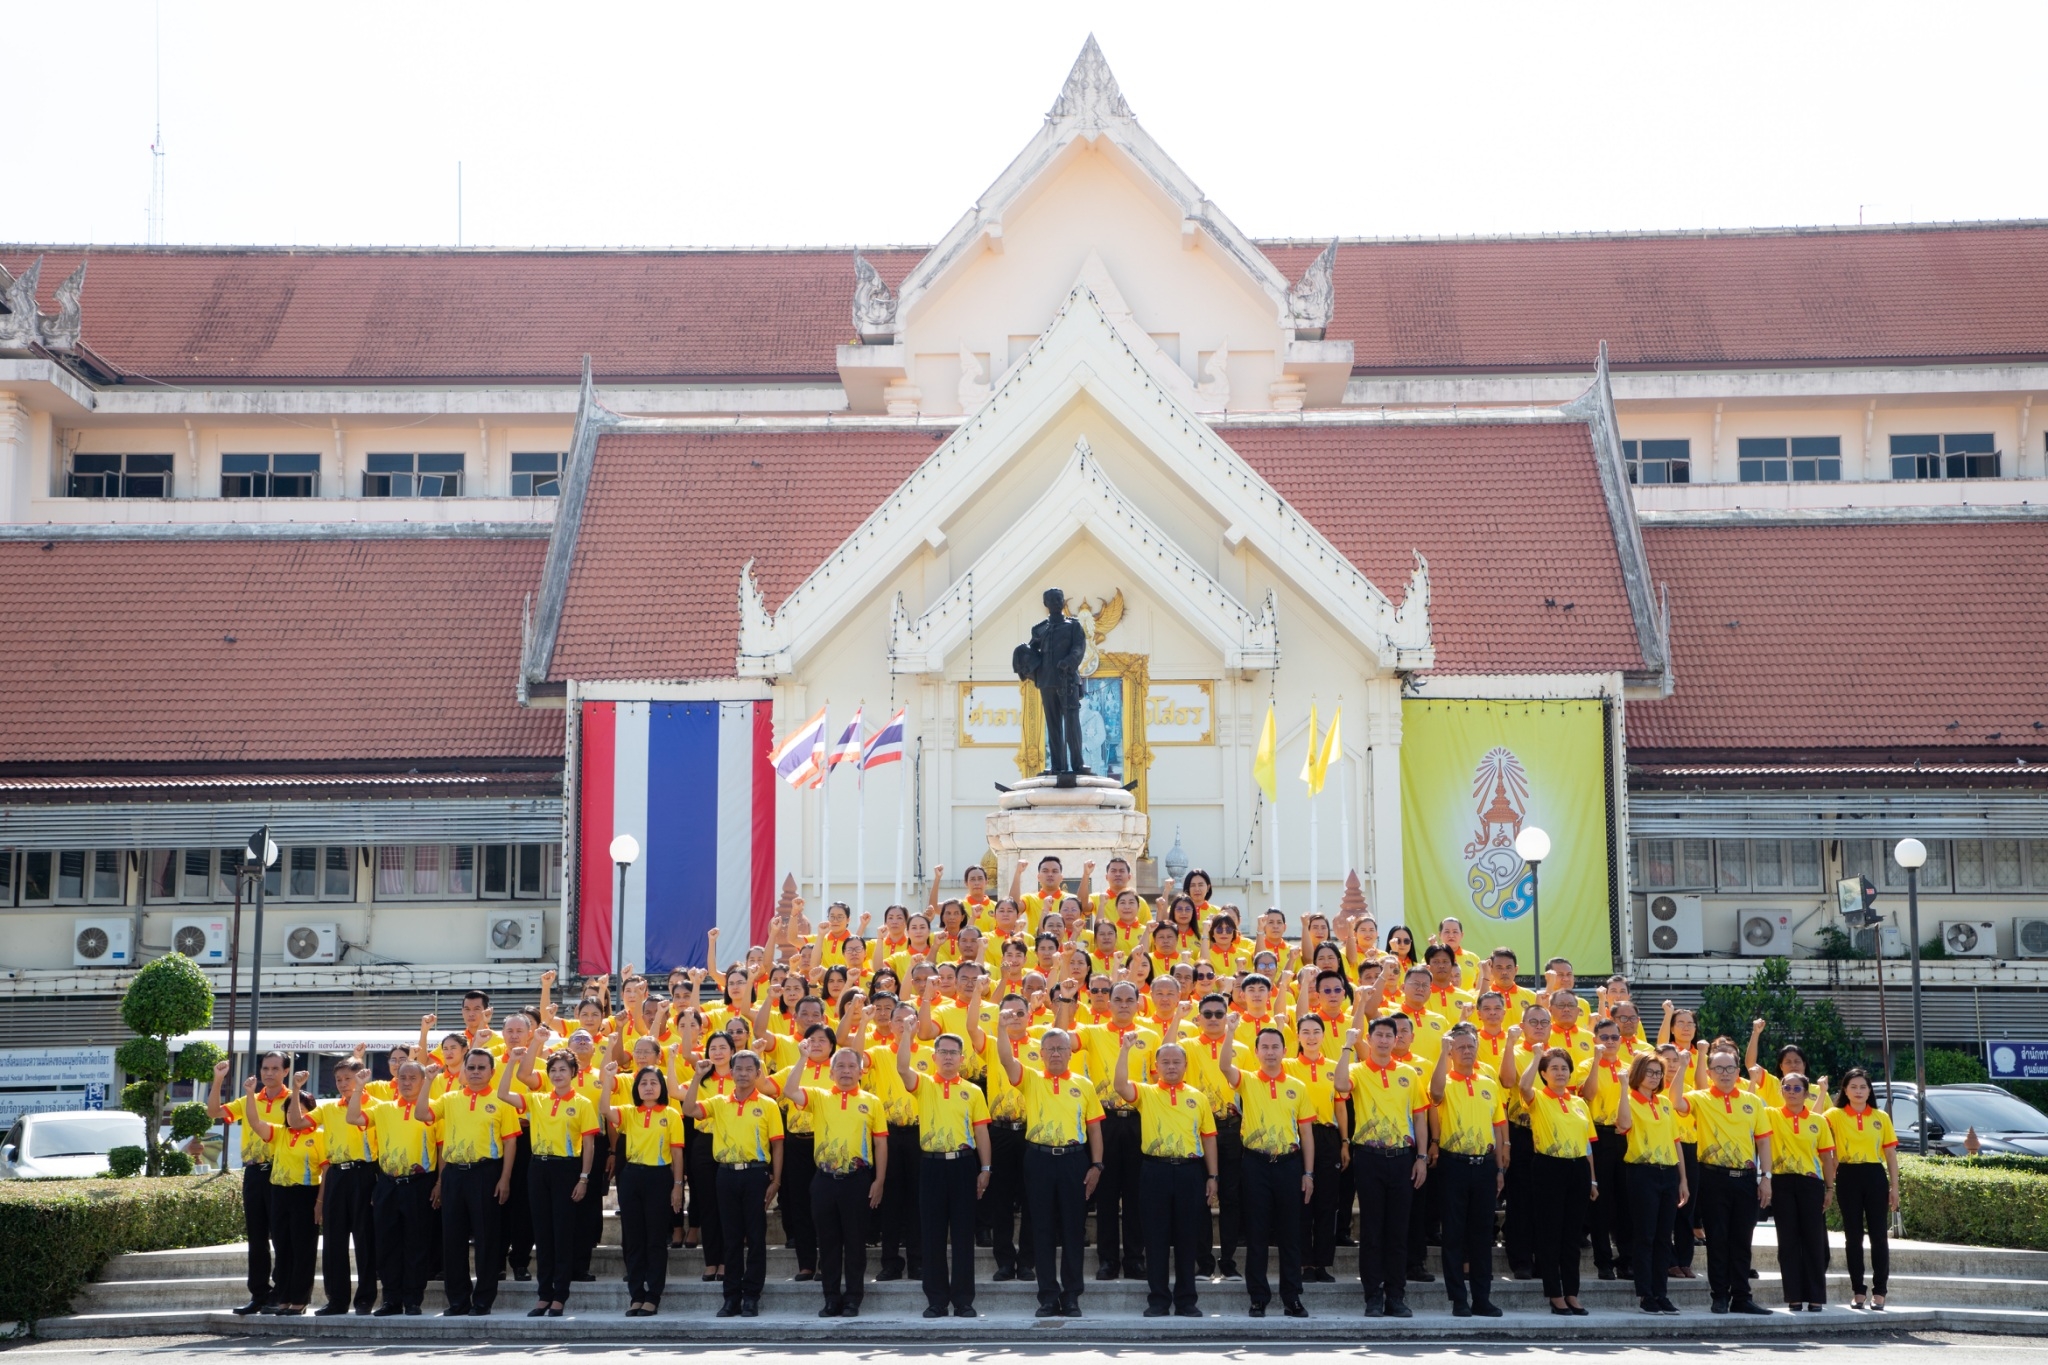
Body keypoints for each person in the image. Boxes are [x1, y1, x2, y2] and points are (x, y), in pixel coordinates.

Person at [996, 1027, 1103, 1318]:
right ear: (1041, 1054)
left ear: (1070, 1053)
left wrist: (1096, 1165)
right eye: (1050, 1049)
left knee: (1073, 1229)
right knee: (1041, 1228)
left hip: (1074, 1161)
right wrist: (1001, 1026)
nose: (1056, 1054)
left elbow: (1094, 1128)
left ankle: (1072, 1296)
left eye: (1061, 1048)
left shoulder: (1084, 1084)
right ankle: (1047, 1297)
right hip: (1039, 1159)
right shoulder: (1031, 1079)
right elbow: (1005, 1059)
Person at [1112, 1020, 1215, 1319]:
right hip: (1154, 1172)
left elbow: (1209, 1138)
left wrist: (1213, 1176)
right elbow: (1120, 1086)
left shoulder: (1198, 1097)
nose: (1171, 1066)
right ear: (1155, 1067)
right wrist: (1125, 1050)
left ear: (1185, 1065)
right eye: (1165, 1062)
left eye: (1176, 1062)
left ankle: (1186, 1301)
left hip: (1190, 1172)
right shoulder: (1146, 1093)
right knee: (1155, 1238)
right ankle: (1158, 1300)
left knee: (1187, 1238)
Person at [1334, 1005, 1428, 1317]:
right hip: (1369, 1158)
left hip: (1402, 1159)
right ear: (1370, 1039)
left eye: (1390, 1035)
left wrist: (1421, 1157)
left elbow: (1420, 1117)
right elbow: (1340, 1085)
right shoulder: (1358, 1070)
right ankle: (1373, 1296)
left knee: (1398, 1231)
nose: (1385, 1040)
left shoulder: (1408, 1074)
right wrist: (1347, 1045)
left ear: (1397, 1039)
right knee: (1372, 1231)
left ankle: (1396, 1296)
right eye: (1379, 1035)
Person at [785, 1046, 890, 1317]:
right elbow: (790, 1090)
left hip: (857, 1180)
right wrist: (803, 1058)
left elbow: (880, 1144)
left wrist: (879, 1180)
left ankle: (853, 1298)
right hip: (824, 1180)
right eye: (840, 1066)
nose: (846, 1071)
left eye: (851, 1066)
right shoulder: (819, 1097)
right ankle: (831, 1298)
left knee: (855, 1243)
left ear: (861, 1071)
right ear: (831, 1073)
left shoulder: (872, 1101)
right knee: (828, 1243)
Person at [1218, 1025, 1314, 1318]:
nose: (1270, 1052)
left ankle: (1292, 1298)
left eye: (1275, 1047)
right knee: (1257, 1234)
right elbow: (1224, 1066)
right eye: (1265, 1047)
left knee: (1290, 1235)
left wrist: (1308, 1173)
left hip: (1289, 1164)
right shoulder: (1247, 1080)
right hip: (1255, 1164)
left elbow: (1306, 1133)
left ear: (1285, 1051)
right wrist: (1230, 1031)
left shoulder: (1298, 1086)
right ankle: (1258, 1297)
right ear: (1256, 1052)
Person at [897, 1026, 992, 1318]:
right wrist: (908, 1034)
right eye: (943, 1052)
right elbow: (902, 1068)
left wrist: (985, 1168)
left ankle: (963, 1300)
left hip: (964, 1165)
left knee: (963, 1235)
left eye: (953, 1052)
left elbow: (981, 1132)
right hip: (932, 1165)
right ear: (934, 1057)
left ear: (962, 1058)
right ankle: (936, 1300)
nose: (948, 1057)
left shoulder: (973, 1091)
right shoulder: (924, 1084)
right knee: (932, 1234)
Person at [682, 1050, 784, 1318]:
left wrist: (776, 1179)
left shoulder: (768, 1105)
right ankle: (731, 1298)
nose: (743, 1074)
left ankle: (751, 1296)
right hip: (725, 1174)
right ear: (731, 1072)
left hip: (755, 1174)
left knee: (756, 1237)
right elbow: (689, 1109)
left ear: (758, 1073)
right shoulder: (719, 1102)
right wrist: (697, 1077)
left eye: (749, 1069)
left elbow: (777, 1144)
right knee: (731, 1238)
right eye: (738, 1069)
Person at [499, 1043, 598, 1317]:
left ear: (573, 1073)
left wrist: (584, 1178)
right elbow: (503, 1093)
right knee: (542, 1234)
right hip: (538, 1168)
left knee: (562, 1233)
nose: (557, 1074)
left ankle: (560, 1295)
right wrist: (511, 1062)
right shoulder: (537, 1099)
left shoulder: (582, 1103)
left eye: (563, 1069)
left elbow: (589, 1145)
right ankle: (544, 1295)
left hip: (567, 1169)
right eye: (553, 1070)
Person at [1075, 981, 1160, 1280]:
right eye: (1118, 1000)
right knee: (1107, 1193)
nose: (1124, 1005)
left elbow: (1157, 1081)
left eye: (1129, 1000)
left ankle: (1135, 1259)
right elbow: (1062, 1040)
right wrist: (1065, 1000)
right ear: (1108, 1003)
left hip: (1139, 1119)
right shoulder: (1092, 1031)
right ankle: (1108, 1260)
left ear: (1138, 1004)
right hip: (1104, 1121)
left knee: (1137, 1193)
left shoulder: (1150, 1036)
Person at [427, 1047, 520, 1316]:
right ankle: (458, 1300)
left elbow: (510, 1142)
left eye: (481, 1067)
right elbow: (422, 1113)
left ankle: (483, 1300)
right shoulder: (449, 1098)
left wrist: (505, 1178)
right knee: (453, 1239)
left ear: (492, 1071)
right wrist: (429, 1081)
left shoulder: (502, 1100)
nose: (476, 1072)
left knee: (486, 1238)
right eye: (471, 1067)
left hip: (486, 1173)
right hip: (454, 1174)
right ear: (464, 1071)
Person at [1686, 1042, 1774, 1315]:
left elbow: (1763, 1142)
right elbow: (1676, 1103)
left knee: (1742, 1240)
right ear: (1709, 1072)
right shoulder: (1700, 1098)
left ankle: (1742, 1297)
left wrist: (1766, 1177)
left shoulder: (1752, 1101)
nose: (1725, 1073)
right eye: (1719, 1068)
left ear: (1738, 1071)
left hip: (1745, 1179)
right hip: (1713, 1178)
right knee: (1718, 1239)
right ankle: (1720, 1296)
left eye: (1730, 1068)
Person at [1513, 1034, 1597, 1316]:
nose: (1560, 1073)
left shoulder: (1579, 1103)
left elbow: (1587, 1145)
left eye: (1564, 1068)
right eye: (1554, 1068)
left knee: (1572, 1235)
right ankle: (1555, 1294)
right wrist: (1537, 1055)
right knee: (1550, 1233)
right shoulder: (1537, 1098)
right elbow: (1523, 1086)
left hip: (1578, 1169)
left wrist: (1592, 1178)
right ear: (1544, 1074)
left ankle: (1572, 1292)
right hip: (1549, 1168)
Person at [346, 1058, 437, 1316]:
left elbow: (441, 1147)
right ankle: (391, 1300)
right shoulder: (383, 1108)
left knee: (416, 1243)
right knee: (387, 1244)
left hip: (419, 1184)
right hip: (387, 1184)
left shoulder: (432, 1108)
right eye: (402, 1078)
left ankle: (413, 1300)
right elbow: (352, 1117)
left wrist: (440, 1183)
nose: (406, 1083)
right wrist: (359, 1087)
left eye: (412, 1078)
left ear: (422, 1081)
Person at [1429, 1023, 1507, 1318]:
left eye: (1470, 1046)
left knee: (1482, 1236)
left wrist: (1499, 1167)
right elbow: (1435, 1094)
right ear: (1451, 1052)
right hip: (1454, 1165)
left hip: (1484, 1165)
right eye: (1460, 1047)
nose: (1466, 1051)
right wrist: (1442, 1052)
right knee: (1453, 1235)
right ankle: (1458, 1299)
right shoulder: (1444, 1080)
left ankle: (1482, 1298)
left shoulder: (1488, 1083)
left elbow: (1497, 1126)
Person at [206, 1052, 292, 1315]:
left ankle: (281, 1293)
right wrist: (218, 1079)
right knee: (256, 1237)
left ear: (286, 1071)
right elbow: (214, 1112)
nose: (269, 1073)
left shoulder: (293, 1100)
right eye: (265, 1068)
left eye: (275, 1068)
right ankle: (259, 1294)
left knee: (282, 1236)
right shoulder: (249, 1099)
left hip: (282, 1172)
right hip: (254, 1172)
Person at [601, 1058, 685, 1316]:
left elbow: (677, 1154)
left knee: (655, 1239)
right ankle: (636, 1294)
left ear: (661, 1087)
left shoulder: (671, 1114)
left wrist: (678, 1186)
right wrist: (608, 1078)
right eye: (643, 1083)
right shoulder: (628, 1112)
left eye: (653, 1083)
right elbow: (604, 1108)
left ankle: (653, 1294)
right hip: (631, 1177)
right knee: (634, 1238)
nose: (648, 1087)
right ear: (636, 1088)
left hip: (659, 1178)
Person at [1612, 1051, 1687, 1314]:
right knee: (1645, 1235)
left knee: (1664, 1237)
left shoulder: (1664, 1102)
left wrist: (1683, 1179)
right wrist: (1623, 1087)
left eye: (1658, 1073)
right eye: (1649, 1072)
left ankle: (1661, 1293)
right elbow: (1623, 1125)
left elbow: (1676, 1141)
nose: (1654, 1077)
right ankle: (1646, 1294)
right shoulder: (1628, 1099)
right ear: (1638, 1073)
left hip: (1668, 1172)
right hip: (1642, 1172)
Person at [1826, 1068, 1899, 1311]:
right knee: (1853, 1236)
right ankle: (1858, 1290)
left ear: (1869, 1091)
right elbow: (1812, 1123)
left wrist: (1895, 1187)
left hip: (1875, 1176)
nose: (1858, 1091)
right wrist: (1821, 1092)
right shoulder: (1835, 1115)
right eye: (1853, 1087)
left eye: (1863, 1087)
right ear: (1845, 1091)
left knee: (1879, 1236)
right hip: (1848, 1176)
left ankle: (1880, 1292)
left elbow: (1890, 1155)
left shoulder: (1881, 1117)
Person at [311, 1056, 378, 1315]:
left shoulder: (378, 1106)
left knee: (364, 1238)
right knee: (334, 1239)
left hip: (365, 1173)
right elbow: (296, 1123)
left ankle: (365, 1299)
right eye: (338, 1079)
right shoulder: (329, 1108)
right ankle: (336, 1300)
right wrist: (295, 1089)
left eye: (348, 1078)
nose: (342, 1083)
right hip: (337, 1174)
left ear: (361, 1077)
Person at [1769, 1072, 1835, 1312]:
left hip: (1811, 1184)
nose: (1792, 1092)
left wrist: (1830, 1188)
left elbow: (1826, 1158)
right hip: (1781, 1182)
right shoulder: (1770, 1115)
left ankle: (1816, 1296)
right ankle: (1793, 1297)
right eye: (1787, 1087)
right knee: (1787, 1241)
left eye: (1797, 1088)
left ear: (1807, 1093)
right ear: (1781, 1090)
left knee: (1814, 1241)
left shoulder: (1818, 1121)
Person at [1286, 1014, 1343, 1283]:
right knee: (1301, 1201)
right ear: (1297, 1036)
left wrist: (1345, 1141)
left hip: (1328, 1136)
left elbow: (1340, 1106)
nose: (1311, 1037)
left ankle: (1322, 1263)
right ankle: (1305, 1263)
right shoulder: (1287, 1066)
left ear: (1323, 1035)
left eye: (1316, 1031)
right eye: (1305, 1032)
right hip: (1297, 1136)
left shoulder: (1334, 1067)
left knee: (1327, 1201)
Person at [1576, 1018, 1633, 1283]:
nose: (1610, 1042)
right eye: (1604, 1037)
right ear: (1595, 1040)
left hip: (1625, 1137)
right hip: (1598, 1136)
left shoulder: (1630, 1067)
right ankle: (1604, 1262)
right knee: (1600, 1202)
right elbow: (1588, 1094)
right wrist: (1597, 1061)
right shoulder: (1586, 1065)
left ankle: (1627, 1259)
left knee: (1626, 1201)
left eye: (1614, 1037)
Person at [269, 1077, 326, 1316]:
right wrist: (250, 1093)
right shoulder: (280, 1132)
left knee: (303, 1248)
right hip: (279, 1192)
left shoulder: (320, 1135)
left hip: (306, 1193)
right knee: (282, 1247)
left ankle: (300, 1300)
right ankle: (283, 1297)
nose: (294, 1114)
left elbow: (326, 1170)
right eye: (290, 1109)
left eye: (300, 1109)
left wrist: (320, 1202)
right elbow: (253, 1121)